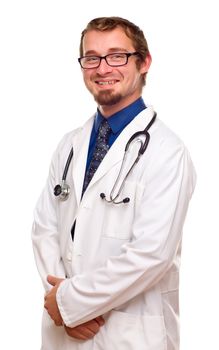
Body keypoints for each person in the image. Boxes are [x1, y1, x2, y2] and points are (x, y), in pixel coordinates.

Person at [32, 16, 196, 350]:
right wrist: (60, 301)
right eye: (91, 57)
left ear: (144, 62)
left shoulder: (168, 152)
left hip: (130, 335)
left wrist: (72, 305)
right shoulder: (69, 145)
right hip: (65, 334)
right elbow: (44, 230)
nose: (103, 68)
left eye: (117, 55)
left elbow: (152, 254)